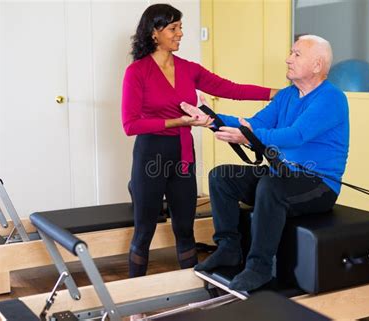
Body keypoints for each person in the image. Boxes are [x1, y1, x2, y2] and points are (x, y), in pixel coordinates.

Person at [121, 3, 277, 281]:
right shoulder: (137, 72)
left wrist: (275, 93)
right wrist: (178, 122)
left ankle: (191, 293)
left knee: (185, 229)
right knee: (144, 231)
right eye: (174, 28)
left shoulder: (188, 69)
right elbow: (131, 124)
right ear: (155, 32)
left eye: (181, 27)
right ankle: (134, 308)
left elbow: (231, 89)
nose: (181, 33)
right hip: (150, 156)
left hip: (183, 156)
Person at [184, 35, 350, 292]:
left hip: (318, 184)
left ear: (317, 65)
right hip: (282, 175)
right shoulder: (287, 96)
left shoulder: (331, 98)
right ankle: (228, 248)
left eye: (296, 54)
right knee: (221, 177)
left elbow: (296, 135)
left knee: (271, 186)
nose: (288, 59)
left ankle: (259, 268)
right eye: (290, 53)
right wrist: (210, 118)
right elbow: (255, 124)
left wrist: (249, 137)